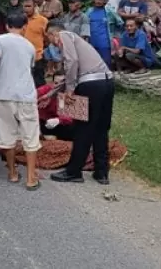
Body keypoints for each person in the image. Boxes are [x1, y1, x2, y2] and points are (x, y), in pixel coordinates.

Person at [0, 11, 42, 191]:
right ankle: (30, 179)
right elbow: (27, 70)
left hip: (5, 95)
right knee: (30, 137)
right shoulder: (29, 46)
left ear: (6, 26)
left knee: (8, 136)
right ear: (24, 27)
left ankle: (12, 173)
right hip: (27, 96)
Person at [46, 23, 115, 185]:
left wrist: (69, 90)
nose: (53, 44)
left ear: (52, 34)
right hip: (107, 81)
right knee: (101, 128)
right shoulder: (78, 42)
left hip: (89, 85)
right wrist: (51, 94)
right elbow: (71, 71)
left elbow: (72, 62)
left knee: (83, 128)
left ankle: (74, 171)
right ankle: (101, 172)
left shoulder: (64, 35)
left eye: (49, 39)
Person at [21, 0, 49, 86]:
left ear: (35, 6)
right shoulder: (20, 20)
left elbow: (48, 38)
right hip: (23, 57)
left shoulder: (43, 20)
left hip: (38, 57)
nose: (26, 9)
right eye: (25, 6)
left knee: (39, 84)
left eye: (29, 6)